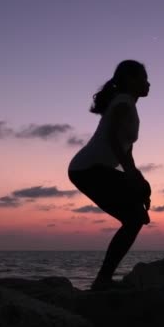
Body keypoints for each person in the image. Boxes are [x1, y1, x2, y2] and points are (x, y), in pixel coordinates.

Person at [67, 60, 152, 291]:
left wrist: (139, 179)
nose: (148, 83)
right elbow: (114, 139)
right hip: (87, 169)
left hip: (91, 170)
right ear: (129, 81)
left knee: (135, 216)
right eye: (143, 79)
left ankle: (103, 279)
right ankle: (103, 280)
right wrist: (133, 178)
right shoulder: (123, 103)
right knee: (134, 218)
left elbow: (126, 151)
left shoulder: (128, 106)